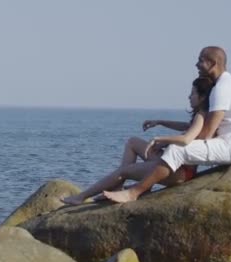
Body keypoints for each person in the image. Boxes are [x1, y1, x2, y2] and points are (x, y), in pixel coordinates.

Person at [104, 46, 231, 203]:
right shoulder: (225, 84)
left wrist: (168, 142)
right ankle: (128, 186)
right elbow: (199, 129)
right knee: (175, 148)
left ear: (213, 63)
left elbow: (206, 134)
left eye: (200, 60)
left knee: (177, 150)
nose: (196, 65)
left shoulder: (222, 88)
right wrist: (164, 127)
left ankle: (134, 193)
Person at [61, 76, 215, 205]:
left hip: (179, 171)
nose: (189, 96)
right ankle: (117, 188)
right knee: (133, 142)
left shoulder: (201, 116)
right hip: (174, 164)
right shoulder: (200, 116)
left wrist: (161, 139)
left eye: (192, 93)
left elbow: (186, 139)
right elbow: (187, 127)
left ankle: (81, 197)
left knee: (124, 171)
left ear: (202, 97)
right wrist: (160, 122)